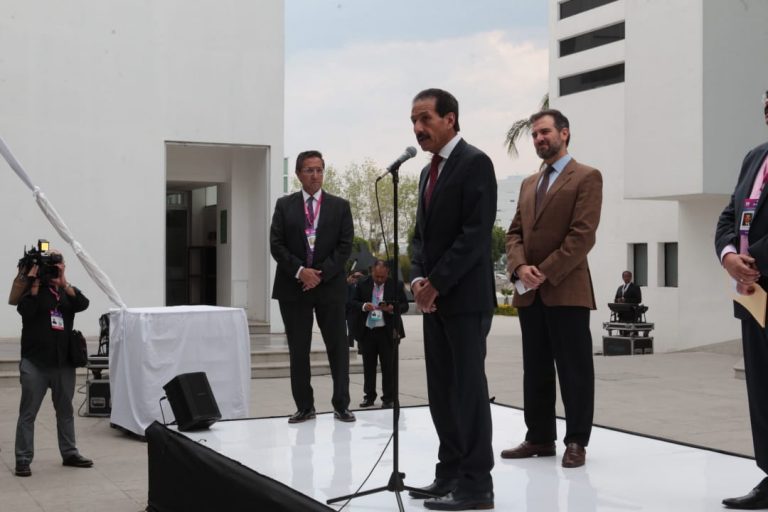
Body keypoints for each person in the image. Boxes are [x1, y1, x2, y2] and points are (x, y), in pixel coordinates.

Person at [407, 88, 497, 511]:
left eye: (425, 118)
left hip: (464, 300)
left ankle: (477, 486)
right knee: (441, 391)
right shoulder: (427, 173)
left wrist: (437, 283)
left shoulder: (475, 163)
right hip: (434, 301)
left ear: (451, 119)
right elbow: (418, 238)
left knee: (468, 391)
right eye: (413, 121)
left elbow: (475, 236)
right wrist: (419, 279)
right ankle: (449, 474)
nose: (418, 128)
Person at [503, 109, 603, 469]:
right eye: (534, 135)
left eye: (545, 132)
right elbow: (513, 233)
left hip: (566, 289)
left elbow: (582, 236)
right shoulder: (530, 183)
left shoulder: (587, 177)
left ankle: (576, 440)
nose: (539, 139)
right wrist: (519, 267)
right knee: (536, 368)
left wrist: (541, 272)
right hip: (530, 294)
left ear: (564, 133)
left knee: (574, 369)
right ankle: (539, 438)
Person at [270, 150, 356, 424]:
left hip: (329, 287)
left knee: (337, 348)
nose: (315, 175)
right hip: (293, 287)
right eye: (309, 170)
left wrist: (319, 274)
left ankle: (341, 405)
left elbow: (345, 247)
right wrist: (300, 272)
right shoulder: (284, 206)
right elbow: (276, 245)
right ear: (298, 174)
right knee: (298, 349)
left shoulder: (340, 206)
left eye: (319, 169)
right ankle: (305, 406)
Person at [715, 90, 768, 510]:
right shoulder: (755, 156)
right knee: (761, 389)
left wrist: (756, 260)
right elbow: (730, 214)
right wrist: (730, 256)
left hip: (760, 278)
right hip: (753, 296)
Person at [14, 249, 93, 477]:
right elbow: (26, 311)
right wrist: (35, 284)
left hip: (63, 363)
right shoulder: (32, 292)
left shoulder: (65, 291)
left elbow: (83, 303)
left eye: (59, 264)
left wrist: (63, 281)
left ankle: (69, 453)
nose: (54, 268)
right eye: (52, 265)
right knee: (28, 413)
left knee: (65, 411)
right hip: (35, 363)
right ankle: (23, 458)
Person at [351, 260, 408, 409]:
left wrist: (391, 308)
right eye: (377, 276)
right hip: (367, 331)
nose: (379, 280)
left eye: (382, 277)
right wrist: (364, 306)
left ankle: (388, 398)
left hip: (388, 332)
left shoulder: (396, 285)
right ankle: (369, 397)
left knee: (388, 367)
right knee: (368, 367)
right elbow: (352, 302)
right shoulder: (362, 283)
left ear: (387, 273)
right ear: (371, 272)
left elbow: (405, 305)